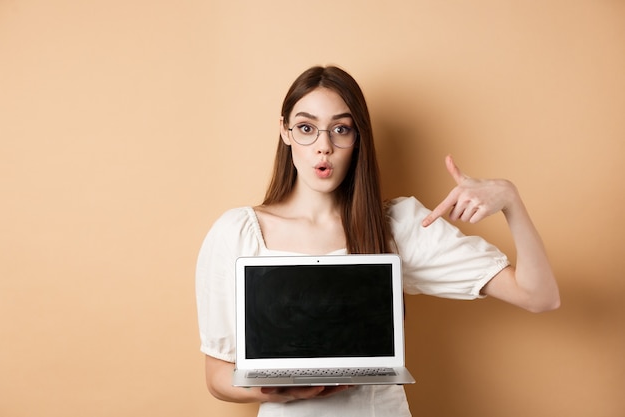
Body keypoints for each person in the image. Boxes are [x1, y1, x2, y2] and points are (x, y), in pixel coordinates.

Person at [195, 65, 560, 416]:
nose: (323, 147)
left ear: (358, 138)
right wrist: (287, 391)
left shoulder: (396, 226)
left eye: (340, 130)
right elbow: (217, 376)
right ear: (285, 131)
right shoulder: (237, 232)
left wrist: (511, 200)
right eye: (307, 128)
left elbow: (539, 296)